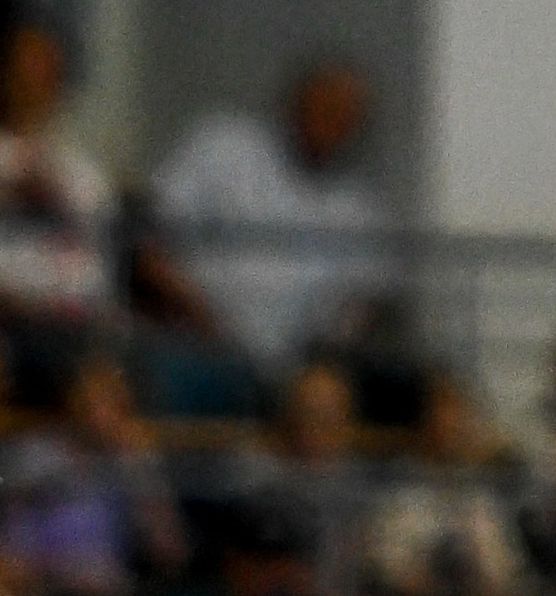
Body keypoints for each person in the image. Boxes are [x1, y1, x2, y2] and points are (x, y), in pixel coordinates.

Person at [145, 60, 387, 382]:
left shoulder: (358, 208)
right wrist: (201, 318)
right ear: (294, 102)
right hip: (193, 342)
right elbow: (148, 244)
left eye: (346, 114)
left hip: (289, 374)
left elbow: (360, 308)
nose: (333, 120)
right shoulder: (223, 145)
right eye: (325, 105)